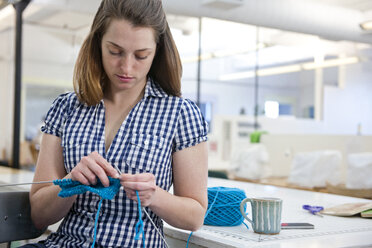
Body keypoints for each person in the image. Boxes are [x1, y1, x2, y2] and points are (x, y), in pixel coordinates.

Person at [27, 0, 208, 247]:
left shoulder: (180, 113)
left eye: (141, 56)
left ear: (157, 52)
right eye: (115, 51)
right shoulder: (66, 108)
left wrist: (155, 197)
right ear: (98, 44)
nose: (126, 67)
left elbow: (195, 216)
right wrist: (72, 182)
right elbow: (38, 215)